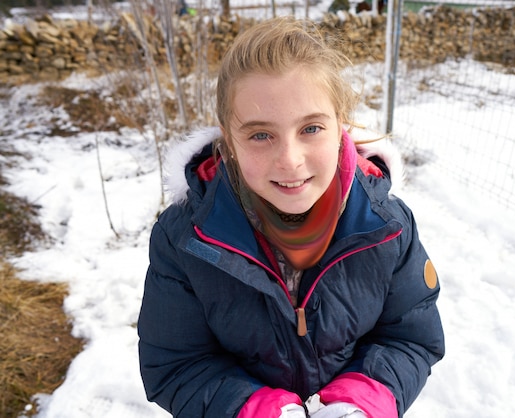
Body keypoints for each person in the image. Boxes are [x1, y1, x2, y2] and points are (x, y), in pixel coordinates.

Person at [137, 16, 445, 418]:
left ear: (341, 130)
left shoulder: (387, 226)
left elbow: (410, 337)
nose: (289, 161)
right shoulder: (186, 239)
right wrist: (253, 409)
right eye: (260, 135)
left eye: (311, 128)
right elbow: (176, 364)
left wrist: (362, 400)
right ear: (228, 143)